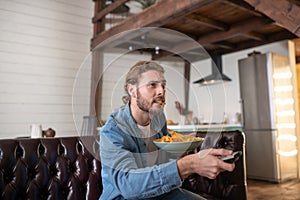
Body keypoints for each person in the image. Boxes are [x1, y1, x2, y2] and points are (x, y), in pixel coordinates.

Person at [99, 61, 235, 200]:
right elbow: (128, 186)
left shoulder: (158, 118)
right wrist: (189, 164)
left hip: (158, 193)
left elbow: (162, 160)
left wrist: (181, 148)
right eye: (152, 85)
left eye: (163, 85)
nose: (161, 91)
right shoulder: (112, 131)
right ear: (132, 90)